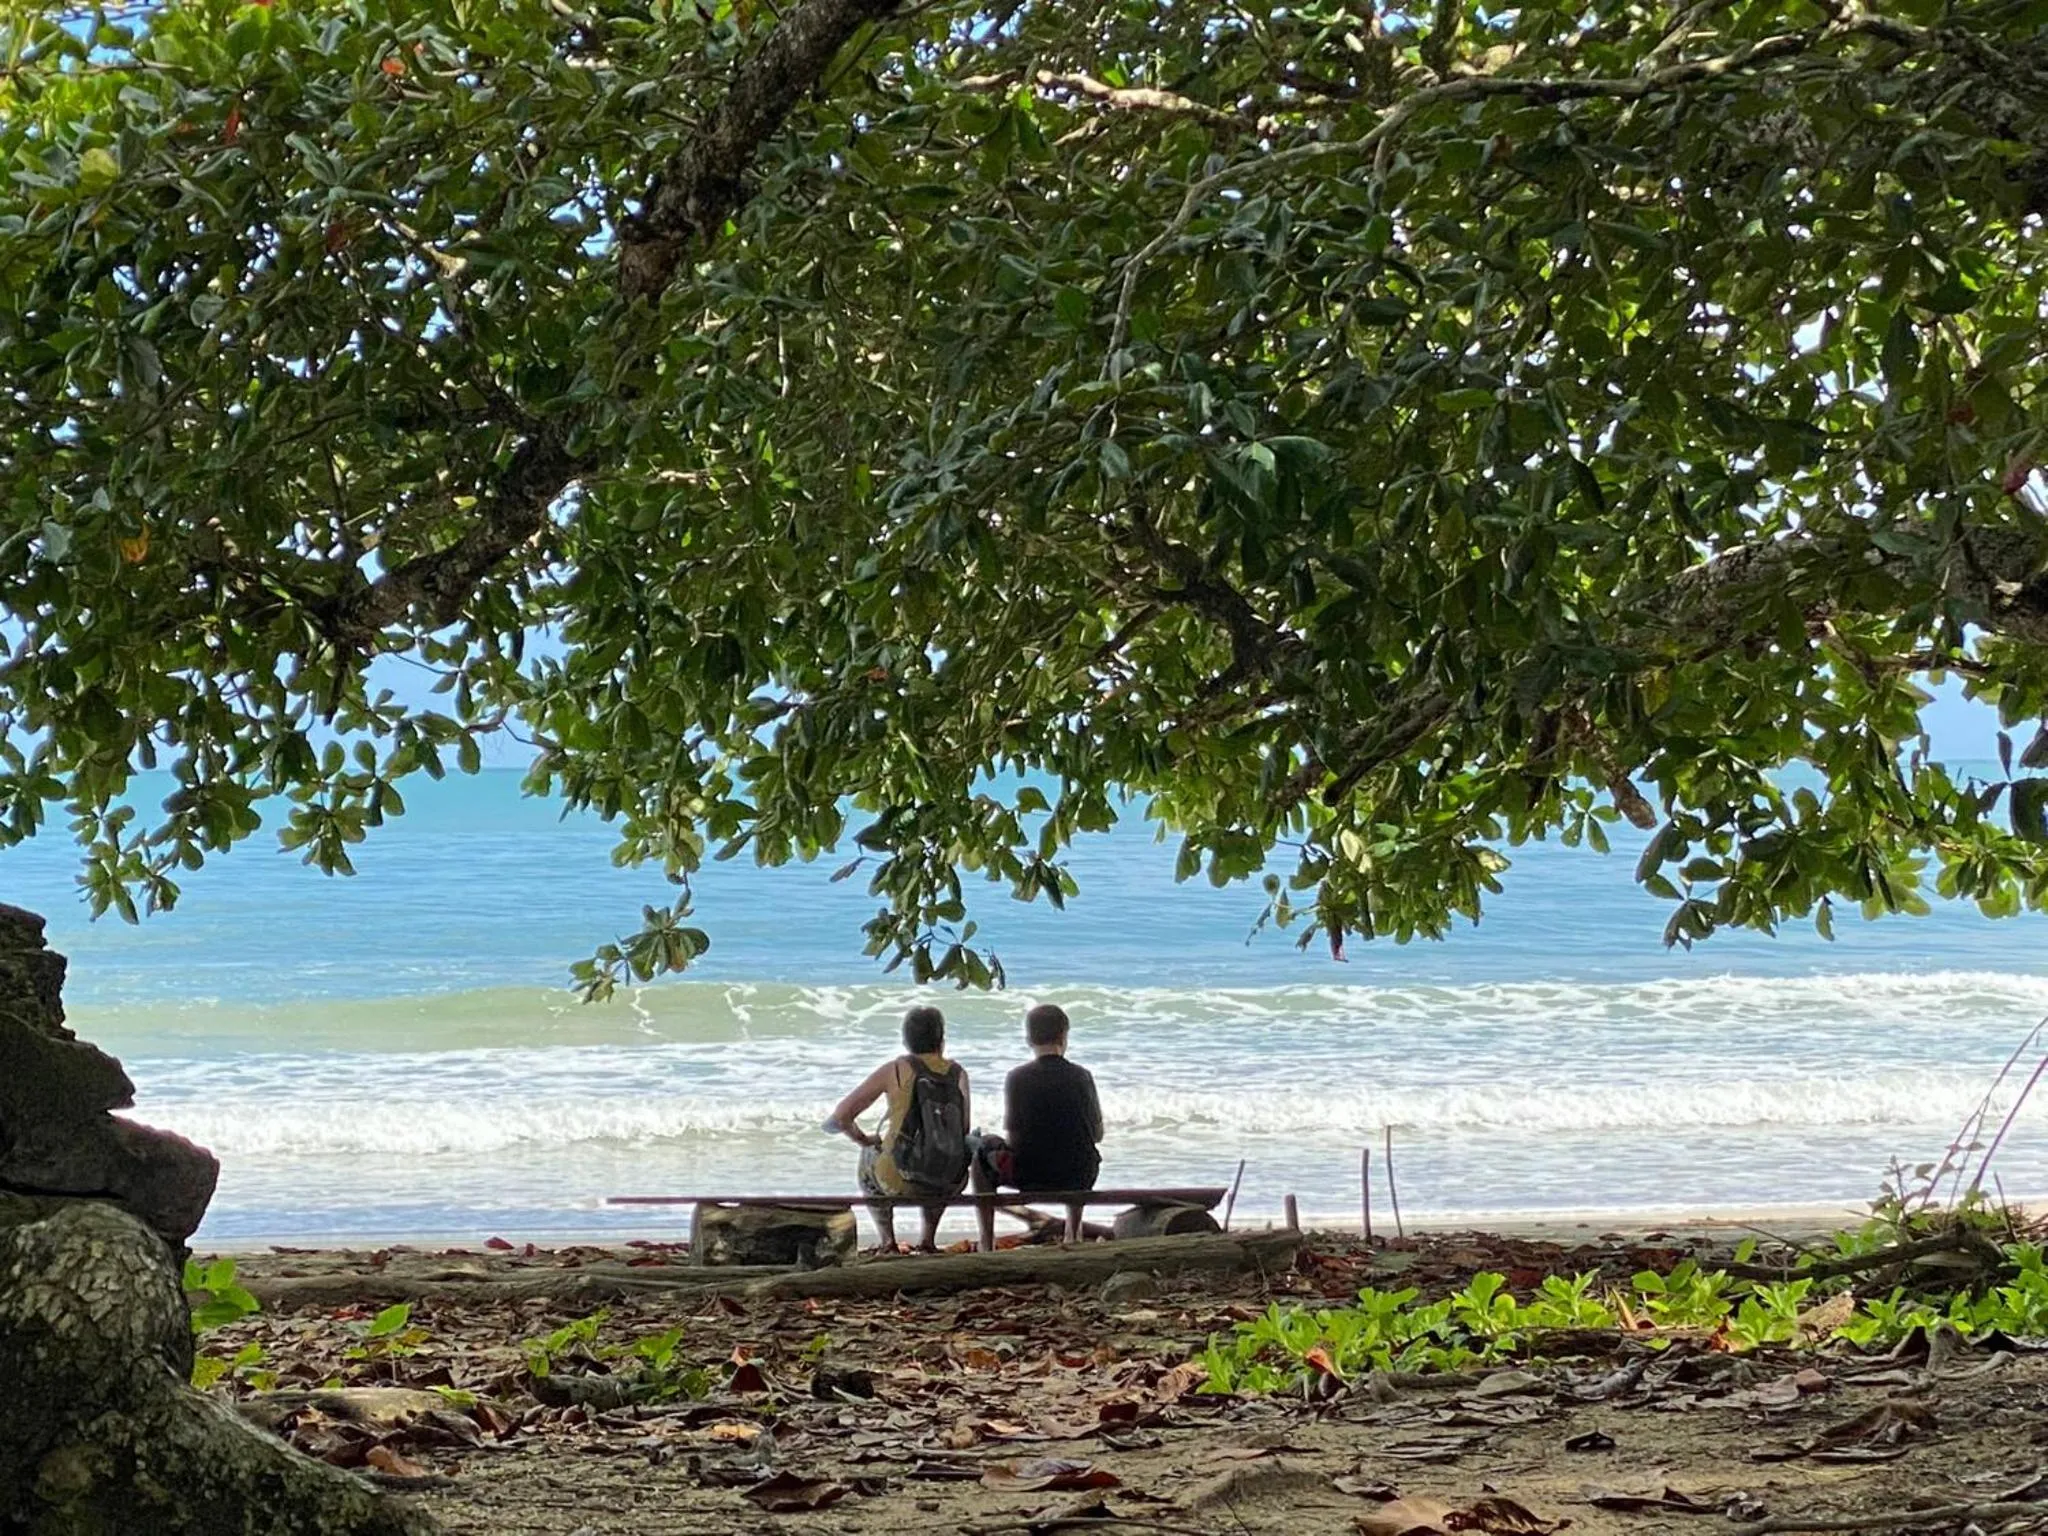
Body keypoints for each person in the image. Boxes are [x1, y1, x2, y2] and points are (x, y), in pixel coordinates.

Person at [823, 1005, 971, 1251]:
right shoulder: (958, 1073)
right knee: (944, 1154)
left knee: (868, 1155)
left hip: (899, 1181)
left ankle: (888, 1241)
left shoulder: (896, 1069)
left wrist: (864, 1140)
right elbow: (963, 1129)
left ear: (906, 1040)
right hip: (950, 1182)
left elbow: (842, 1116)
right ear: (941, 1040)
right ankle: (928, 1240)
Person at [972, 1002, 1103, 1197]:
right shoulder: (1082, 1076)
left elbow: (1014, 1138)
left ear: (1029, 1040)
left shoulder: (1017, 1077)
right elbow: (1097, 1134)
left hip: (1031, 1175)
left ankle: (987, 1228)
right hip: (1079, 1176)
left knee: (981, 1153)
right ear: (1063, 1036)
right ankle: (1073, 1227)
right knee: (1080, 1154)